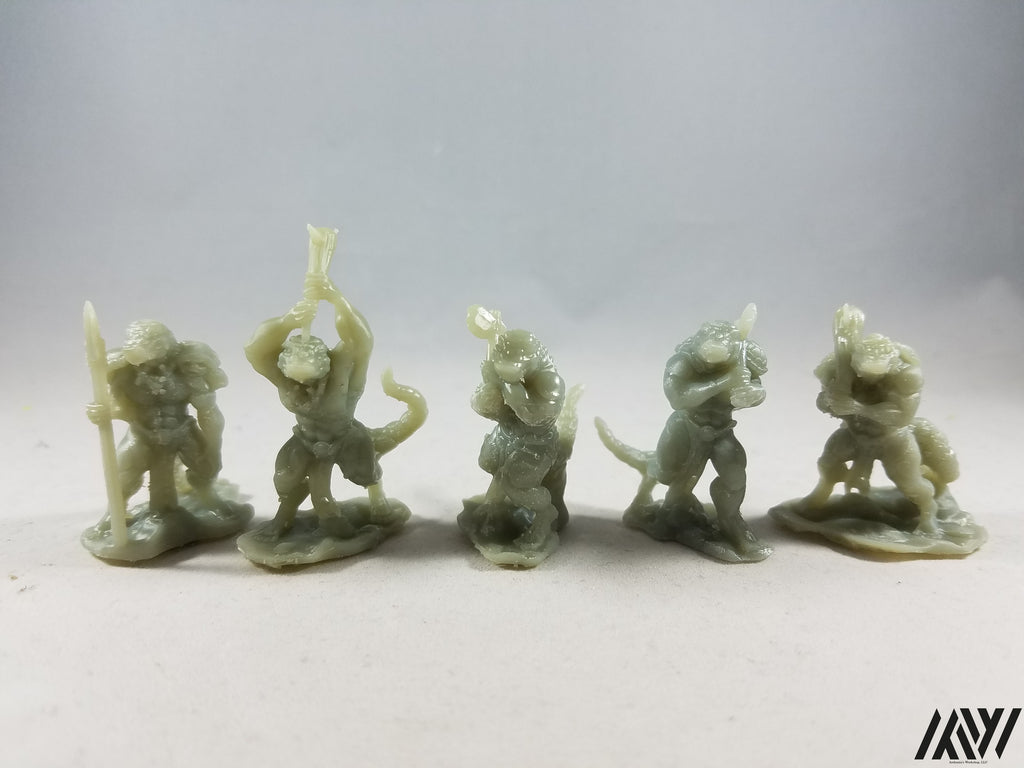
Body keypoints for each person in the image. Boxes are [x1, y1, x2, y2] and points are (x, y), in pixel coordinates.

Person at [245, 273, 388, 537]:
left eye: (309, 378)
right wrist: (289, 321)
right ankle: (288, 518)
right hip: (305, 439)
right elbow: (255, 350)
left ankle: (377, 502)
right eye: (295, 379)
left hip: (344, 438)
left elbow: (360, 341)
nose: (301, 384)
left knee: (365, 474)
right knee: (287, 479)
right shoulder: (285, 376)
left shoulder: (341, 371)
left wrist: (336, 299)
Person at [803, 306, 958, 533]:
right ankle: (821, 494)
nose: (868, 376)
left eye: (876, 372)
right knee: (828, 462)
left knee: (910, 483)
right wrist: (831, 400)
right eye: (863, 370)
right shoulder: (840, 367)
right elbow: (822, 403)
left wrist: (857, 407)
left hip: (892, 439)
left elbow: (901, 416)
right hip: (855, 433)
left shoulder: (906, 376)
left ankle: (928, 511)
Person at [649, 318, 767, 554]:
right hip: (686, 427)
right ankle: (672, 512)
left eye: (723, 343)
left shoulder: (743, 355)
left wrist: (752, 395)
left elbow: (757, 387)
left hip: (722, 430)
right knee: (670, 476)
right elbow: (679, 398)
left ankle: (730, 519)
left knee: (735, 477)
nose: (716, 347)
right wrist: (725, 381)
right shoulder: (683, 361)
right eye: (711, 341)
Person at [88, 320, 227, 513]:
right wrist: (100, 412)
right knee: (122, 476)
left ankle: (207, 496)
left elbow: (208, 412)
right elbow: (115, 406)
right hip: (142, 432)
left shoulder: (188, 368)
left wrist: (213, 446)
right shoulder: (124, 374)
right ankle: (116, 511)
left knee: (206, 468)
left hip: (182, 429)